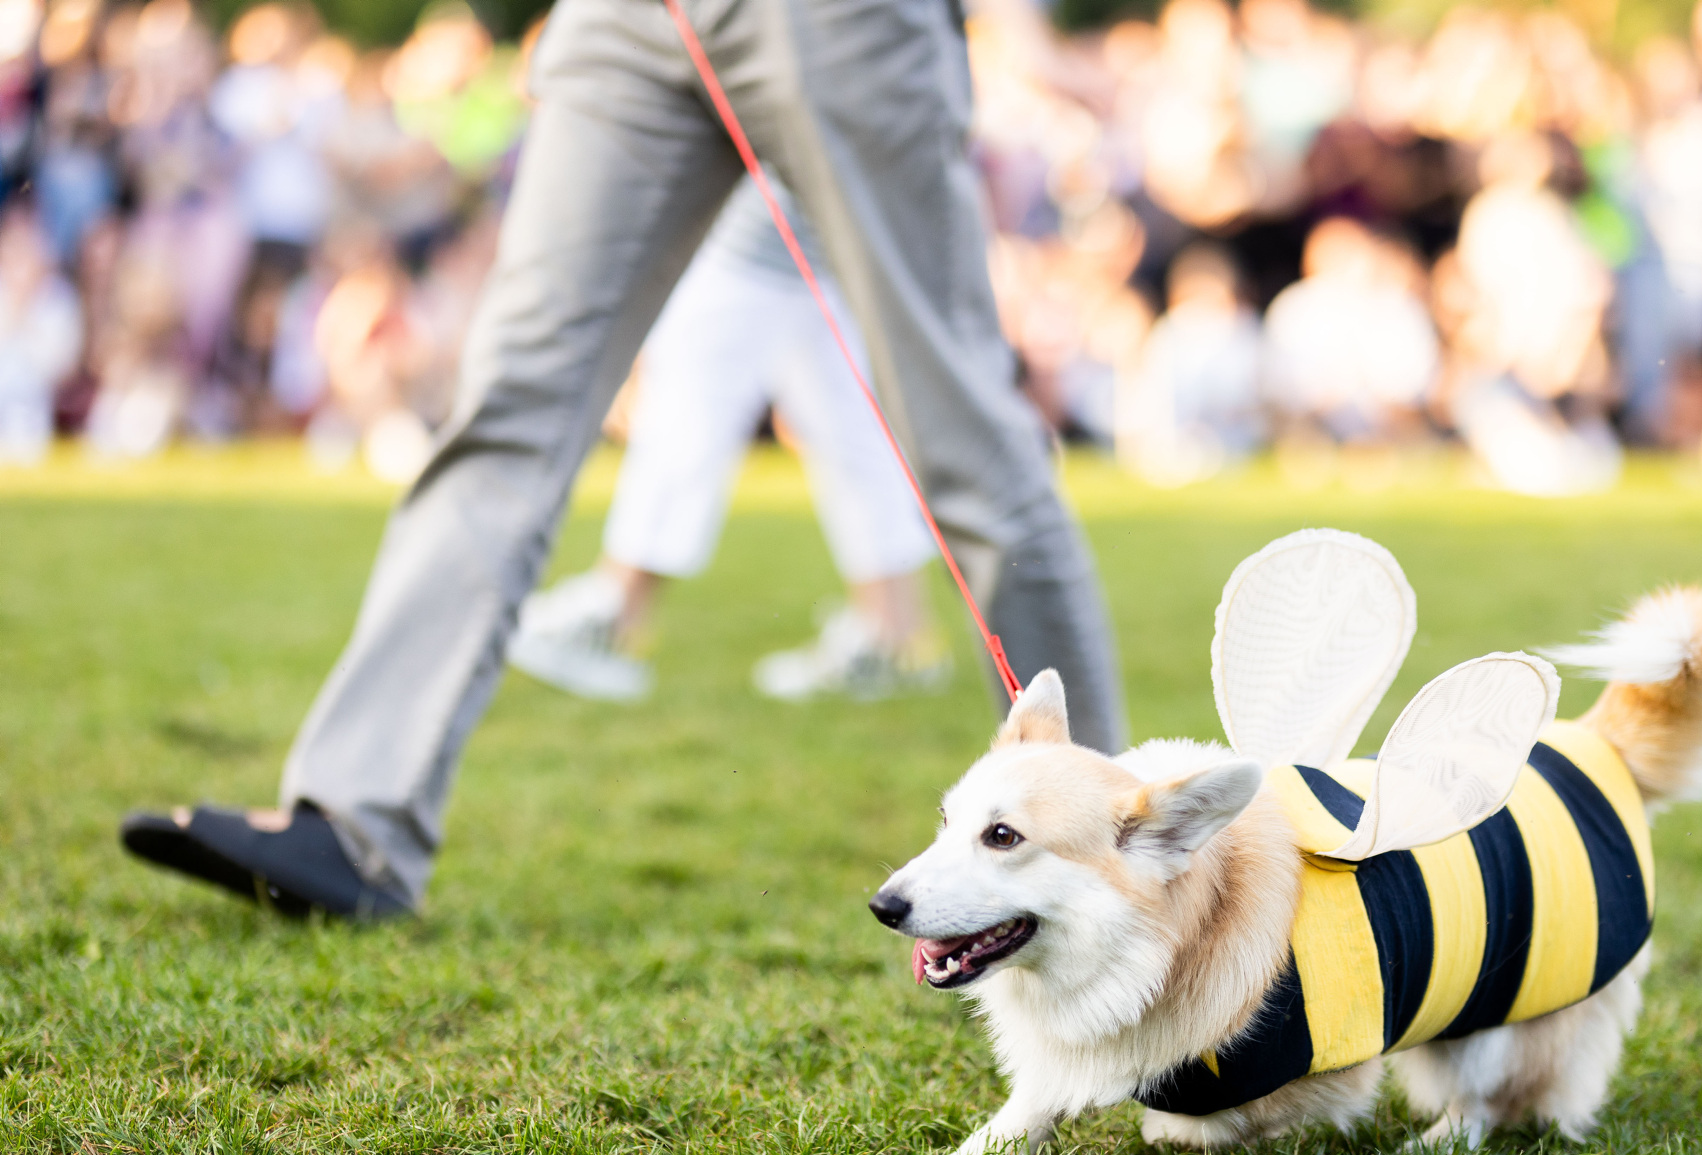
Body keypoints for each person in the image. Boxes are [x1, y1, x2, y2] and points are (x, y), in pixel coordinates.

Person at [118, 0, 1127, 920]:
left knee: (959, 435)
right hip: (630, 23)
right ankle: (354, 826)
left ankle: (1121, 868)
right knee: (508, 401)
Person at [507, 176, 950, 704]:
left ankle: (613, 616)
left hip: (768, 238)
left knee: (689, 414)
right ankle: (892, 633)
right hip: (827, 235)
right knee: (852, 429)